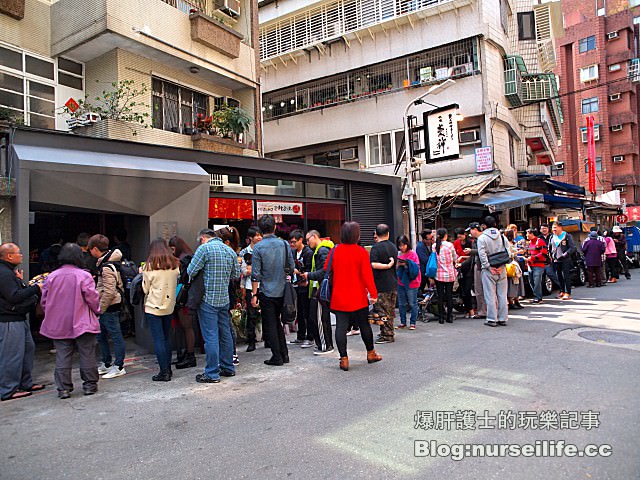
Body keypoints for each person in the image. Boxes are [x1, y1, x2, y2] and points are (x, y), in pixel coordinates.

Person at [40, 243, 101, 398]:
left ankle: (63, 389)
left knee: (62, 354)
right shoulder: (83, 275)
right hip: (82, 321)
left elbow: (44, 301)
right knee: (87, 353)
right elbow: (92, 299)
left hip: (59, 322)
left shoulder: (51, 276)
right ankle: (89, 385)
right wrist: (97, 311)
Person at [326, 222, 382, 372]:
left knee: (340, 327)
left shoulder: (334, 251)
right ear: (357, 235)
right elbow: (367, 276)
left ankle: (343, 359)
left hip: (339, 296)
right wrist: (374, 294)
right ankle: (371, 353)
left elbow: (326, 269)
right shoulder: (361, 252)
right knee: (364, 325)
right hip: (358, 296)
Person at [188, 228, 240, 383]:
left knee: (210, 336)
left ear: (203, 238)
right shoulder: (229, 250)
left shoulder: (204, 249)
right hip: (223, 299)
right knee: (225, 334)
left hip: (207, 299)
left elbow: (191, 271)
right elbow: (236, 275)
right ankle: (228, 367)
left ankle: (212, 373)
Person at [0, 243, 45, 401]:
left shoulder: (9, 272)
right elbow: (14, 296)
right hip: (9, 320)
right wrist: (36, 288)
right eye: (18, 253)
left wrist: (22, 282)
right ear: (9, 256)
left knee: (27, 349)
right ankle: (8, 390)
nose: (21, 255)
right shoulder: (4, 273)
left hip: (18, 318)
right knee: (12, 354)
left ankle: (25, 382)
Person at [251, 215, 295, 366]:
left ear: (260, 230)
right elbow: (291, 267)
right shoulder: (284, 244)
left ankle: (277, 356)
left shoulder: (258, 247)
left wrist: (254, 294)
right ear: (274, 227)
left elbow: (256, 274)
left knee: (271, 324)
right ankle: (284, 354)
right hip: (283, 290)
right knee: (278, 323)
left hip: (266, 291)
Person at [88, 234, 127, 379]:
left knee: (115, 336)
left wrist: (100, 308)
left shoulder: (106, 267)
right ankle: (106, 363)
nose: (89, 252)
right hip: (107, 306)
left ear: (96, 249)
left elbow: (109, 291)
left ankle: (119, 366)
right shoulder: (107, 262)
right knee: (102, 336)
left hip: (109, 306)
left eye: (91, 249)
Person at [142, 239, 180, 382]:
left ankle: (164, 372)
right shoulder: (175, 265)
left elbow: (145, 289)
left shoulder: (149, 266)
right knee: (167, 338)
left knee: (159, 340)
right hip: (169, 305)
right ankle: (168, 369)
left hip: (153, 306)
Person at [301, 230, 335, 355]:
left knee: (320, 318)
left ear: (315, 236)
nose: (307, 242)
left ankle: (326, 345)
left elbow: (324, 271)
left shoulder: (322, 250)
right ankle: (323, 344)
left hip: (321, 289)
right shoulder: (322, 250)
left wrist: (308, 275)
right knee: (317, 317)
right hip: (320, 288)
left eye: (308, 239)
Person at [169, 236, 197, 369]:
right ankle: (188, 354)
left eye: (173, 248)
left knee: (186, 327)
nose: (171, 251)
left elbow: (184, 278)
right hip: (187, 296)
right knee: (186, 327)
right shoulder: (188, 256)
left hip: (184, 297)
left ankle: (190, 356)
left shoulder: (184, 259)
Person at [215, 226, 241, 366]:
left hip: (227, 293)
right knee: (226, 324)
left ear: (226, 242)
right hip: (228, 292)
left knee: (227, 325)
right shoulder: (231, 253)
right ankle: (231, 354)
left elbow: (236, 276)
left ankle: (232, 354)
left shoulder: (230, 254)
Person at [477, 216, 509, 327]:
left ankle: (492, 319)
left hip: (489, 270)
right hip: (502, 269)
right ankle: (503, 318)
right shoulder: (502, 237)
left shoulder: (482, 238)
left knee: (490, 295)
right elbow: (508, 253)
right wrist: (503, 265)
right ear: (495, 224)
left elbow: (482, 254)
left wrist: (488, 266)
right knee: (502, 295)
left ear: (484, 226)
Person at [369, 224, 398, 344]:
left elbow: (373, 264)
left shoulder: (376, 248)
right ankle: (388, 332)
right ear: (388, 233)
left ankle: (387, 335)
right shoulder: (393, 247)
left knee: (382, 311)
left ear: (376, 233)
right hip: (393, 283)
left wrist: (386, 266)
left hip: (381, 285)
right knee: (390, 310)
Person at [239, 227, 263, 352]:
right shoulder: (244, 252)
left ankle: (268, 339)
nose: (259, 237)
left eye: (260, 235)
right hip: (249, 287)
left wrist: (252, 268)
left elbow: (264, 269)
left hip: (264, 286)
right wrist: (257, 269)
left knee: (267, 313)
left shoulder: (265, 249)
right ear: (250, 238)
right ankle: (251, 340)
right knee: (251, 314)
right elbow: (244, 271)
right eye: (257, 235)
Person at [288, 230, 314, 347]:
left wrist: (299, 272)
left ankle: (310, 337)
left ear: (300, 240)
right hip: (295, 285)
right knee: (299, 311)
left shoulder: (308, 252)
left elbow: (309, 270)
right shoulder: (293, 253)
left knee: (306, 312)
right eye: (291, 242)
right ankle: (300, 335)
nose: (292, 244)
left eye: (294, 242)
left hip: (305, 285)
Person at [395, 235, 421, 329]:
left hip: (412, 282)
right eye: (400, 245)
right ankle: (403, 322)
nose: (401, 247)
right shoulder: (398, 254)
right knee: (401, 304)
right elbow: (396, 269)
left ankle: (413, 322)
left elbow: (415, 269)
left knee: (412, 303)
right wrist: (398, 264)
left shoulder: (413, 254)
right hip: (400, 281)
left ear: (407, 244)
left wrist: (406, 264)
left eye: (403, 245)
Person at [433, 228, 458, 324]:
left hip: (438, 274)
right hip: (449, 274)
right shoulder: (450, 245)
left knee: (440, 296)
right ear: (446, 235)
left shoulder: (434, 246)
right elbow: (455, 257)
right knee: (449, 295)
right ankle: (449, 317)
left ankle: (440, 318)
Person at [550, 222, 576, 300]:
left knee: (565, 276)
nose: (554, 229)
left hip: (565, 259)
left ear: (560, 228)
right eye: (553, 228)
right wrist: (551, 256)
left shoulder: (567, 236)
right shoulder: (552, 237)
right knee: (559, 276)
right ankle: (562, 291)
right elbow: (550, 247)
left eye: (555, 228)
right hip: (556, 260)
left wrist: (565, 254)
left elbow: (572, 247)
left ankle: (568, 293)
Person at [466, 222, 486, 319]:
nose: (470, 233)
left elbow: (483, 251)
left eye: (470, 230)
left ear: (474, 229)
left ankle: (483, 311)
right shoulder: (478, 239)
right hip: (481, 265)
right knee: (482, 290)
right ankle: (485, 310)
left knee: (480, 290)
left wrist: (471, 251)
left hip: (481, 266)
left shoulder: (481, 239)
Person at [453, 228, 474, 317]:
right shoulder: (456, 243)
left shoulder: (471, 242)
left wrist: (462, 258)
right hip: (459, 269)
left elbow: (472, 257)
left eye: (461, 234)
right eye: (458, 235)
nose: (459, 236)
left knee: (467, 289)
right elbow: (454, 254)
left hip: (469, 268)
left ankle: (471, 310)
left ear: (465, 234)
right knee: (462, 291)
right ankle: (467, 310)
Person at [525, 229, 548, 303]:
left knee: (537, 281)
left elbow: (543, 253)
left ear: (532, 234)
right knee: (531, 281)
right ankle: (536, 296)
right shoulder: (529, 243)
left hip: (538, 264)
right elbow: (527, 252)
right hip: (530, 265)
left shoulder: (540, 241)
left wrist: (533, 258)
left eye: (527, 233)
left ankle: (538, 297)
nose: (526, 235)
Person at [505, 230, 525, 310]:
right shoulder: (506, 243)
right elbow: (509, 254)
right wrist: (517, 252)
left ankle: (517, 300)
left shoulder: (513, 243)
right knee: (511, 283)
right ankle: (511, 301)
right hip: (510, 263)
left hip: (516, 263)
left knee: (518, 282)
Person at [539, 224, 560, 290]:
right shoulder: (539, 238)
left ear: (548, 229)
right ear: (540, 230)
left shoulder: (553, 237)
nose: (544, 230)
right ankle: (561, 286)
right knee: (549, 272)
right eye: (542, 228)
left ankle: (562, 286)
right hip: (544, 259)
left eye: (545, 228)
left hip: (554, 257)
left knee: (556, 272)